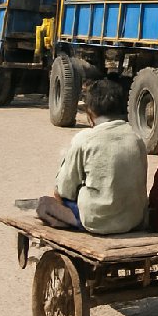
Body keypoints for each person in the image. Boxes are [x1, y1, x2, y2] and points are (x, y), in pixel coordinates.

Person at [36, 79, 148, 234]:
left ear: (90, 113)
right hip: (133, 220)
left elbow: (63, 191)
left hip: (98, 222)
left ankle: (75, 223)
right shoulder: (136, 139)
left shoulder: (85, 139)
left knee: (44, 205)